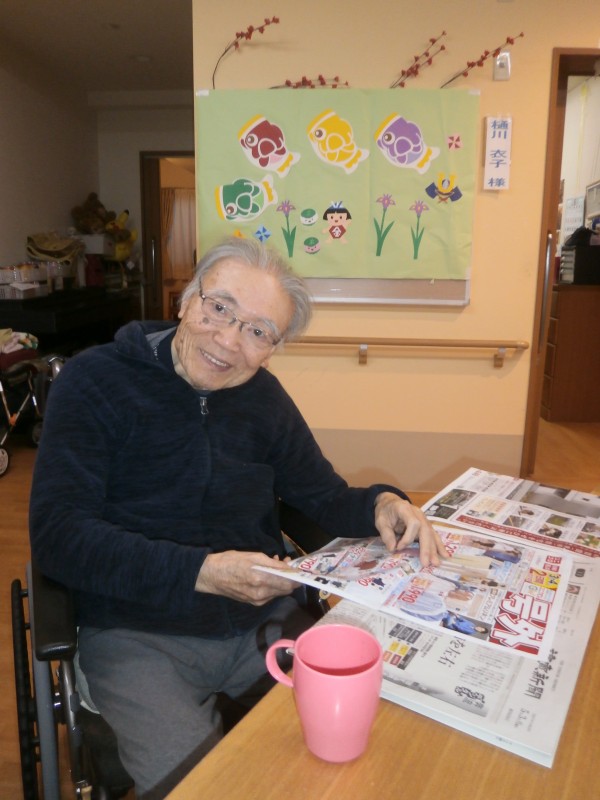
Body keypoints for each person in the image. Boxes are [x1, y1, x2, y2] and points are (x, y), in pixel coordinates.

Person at [29, 236, 446, 798]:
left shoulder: (264, 399)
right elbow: (59, 536)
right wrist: (201, 572)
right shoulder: (94, 382)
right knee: (204, 786)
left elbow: (322, 495)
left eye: (258, 331)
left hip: (261, 621)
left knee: (361, 742)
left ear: (273, 348)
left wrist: (382, 504)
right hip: (134, 630)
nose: (228, 340)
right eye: (219, 307)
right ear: (186, 300)